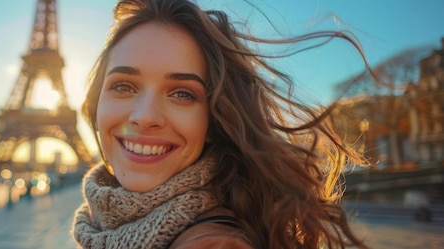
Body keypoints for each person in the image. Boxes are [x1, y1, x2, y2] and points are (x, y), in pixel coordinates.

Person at [72, 0, 370, 248]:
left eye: (182, 93)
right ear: (97, 101)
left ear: (214, 120)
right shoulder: (100, 225)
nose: (145, 116)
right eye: (124, 86)